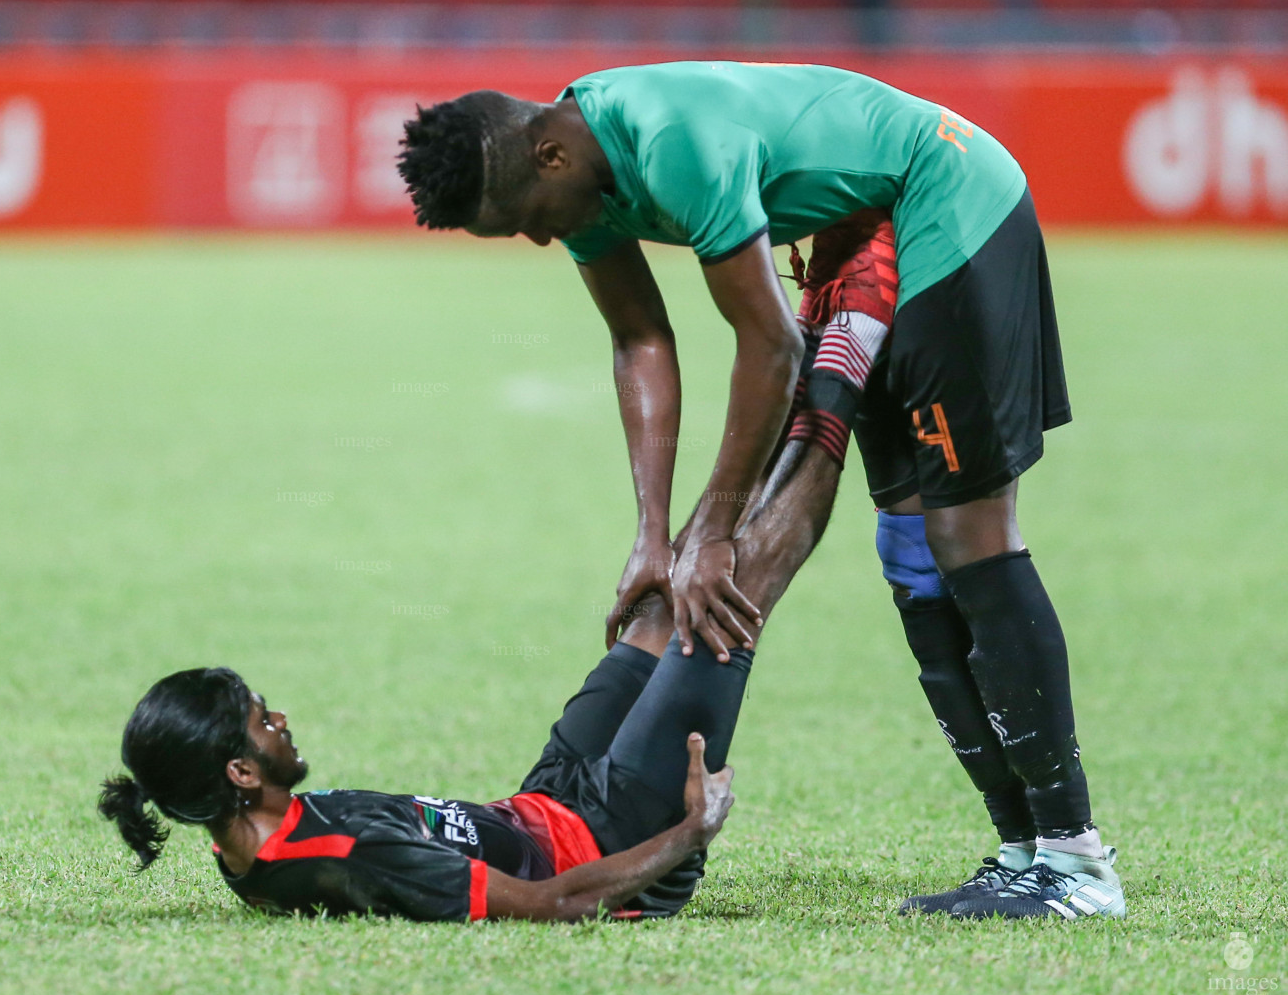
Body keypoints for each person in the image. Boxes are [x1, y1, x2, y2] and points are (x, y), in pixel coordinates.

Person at [396, 61, 1124, 920]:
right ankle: (1020, 855)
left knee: (965, 535)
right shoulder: (580, 175)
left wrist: (713, 537)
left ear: (548, 158)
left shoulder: (669, 142)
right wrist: (654, 535)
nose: (537, 240)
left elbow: (771, 348)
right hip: (859, 233)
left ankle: (1074, 863)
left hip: (944, 198)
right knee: (910, 550)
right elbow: (639, 340)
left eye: (524, 223)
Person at [99, 440, 844, 922]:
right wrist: (691, 831)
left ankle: (794, 369)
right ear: (238, 769)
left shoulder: (240, 836)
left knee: (664, 598)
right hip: (613, 840)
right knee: (737, 588)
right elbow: (557, 905)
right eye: (263, 720)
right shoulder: (347, 859)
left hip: (545, 801)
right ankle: (847, 366)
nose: (280, 718)